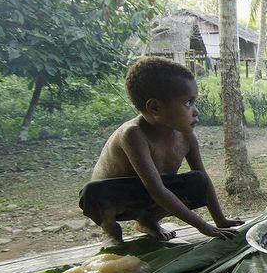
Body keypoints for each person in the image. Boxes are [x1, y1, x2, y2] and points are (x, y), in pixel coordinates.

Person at [79, 57, 241, 243]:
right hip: (116, 199)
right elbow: (155, 189)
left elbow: (203, 179)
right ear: (155, 107)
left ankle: (148, 221)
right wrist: (204, 227)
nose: (195, 111)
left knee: (198, 181)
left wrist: (220, 221)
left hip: (150, 195)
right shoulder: (133, 135)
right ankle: (110, 230)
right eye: (188, 103)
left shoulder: (186, 137)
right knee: (91, 192)